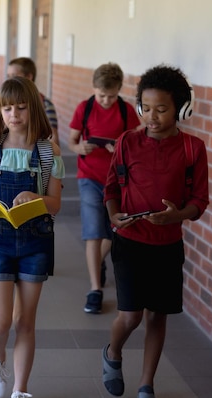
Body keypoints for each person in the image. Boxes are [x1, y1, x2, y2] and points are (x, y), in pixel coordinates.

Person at [101, 64, 209, 398]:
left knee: (157, 317)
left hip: (167, 244)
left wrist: (176, 216)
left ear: (180, 109)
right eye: (146, 108)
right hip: (130, 240)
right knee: (130, 316)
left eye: (161, 109)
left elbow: (199, 202)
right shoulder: (127, 142)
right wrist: (114, 213)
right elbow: (112, 187)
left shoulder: (193, 149)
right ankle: (113, 353)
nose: (151, 116)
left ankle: (147, 386)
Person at [0, 76, 64, 398]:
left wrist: (36, 197)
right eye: (7, 108)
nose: (14, 115)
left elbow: (55, 204)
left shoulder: (46, 151)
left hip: (36, 239)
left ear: (33, 109)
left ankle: (21, 393)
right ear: (0, 111)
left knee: (25, 322)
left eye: (21, 108)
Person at [66, 62, 141, 314]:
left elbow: (134, 143)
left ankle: (95, 261)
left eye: (112, 95)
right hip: (88, 176)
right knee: (93, 232)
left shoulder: (126, 110)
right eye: (102, 95)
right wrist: (80, 148)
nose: (107, 100)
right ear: (93, 89)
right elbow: (72, 141)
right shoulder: (84, 108)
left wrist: (119, 147)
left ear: (120, 89)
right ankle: (95, 289)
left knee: (114, 229)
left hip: (117, 181)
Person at [7, 57, 60, 146]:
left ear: (29, 77)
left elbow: (53, 136)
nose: (9, 80)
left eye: (14, 75)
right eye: (8, 76)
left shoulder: (45, 104)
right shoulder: (6, 101)